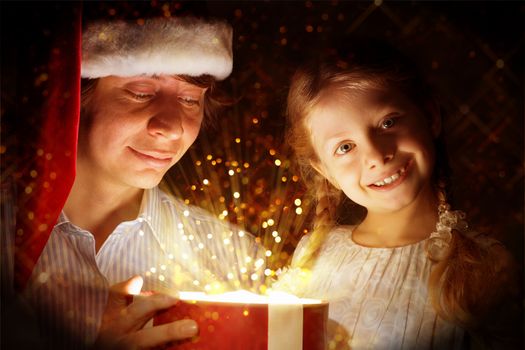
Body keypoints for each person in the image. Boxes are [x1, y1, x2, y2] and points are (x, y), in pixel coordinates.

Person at [18, 15, 265, 349]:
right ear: (77, 98)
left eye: (190, 100)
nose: (172, 126)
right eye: (140, 92)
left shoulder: (232, 259)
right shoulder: (9, 235)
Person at [273, 42, 520, 349]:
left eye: (388, 122)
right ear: (324, 170)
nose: (376, 155)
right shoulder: (314, 256)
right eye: (345, 147)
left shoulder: (486, 267)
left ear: (429, 116)